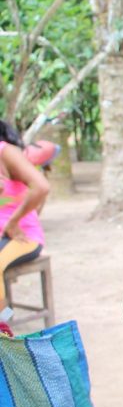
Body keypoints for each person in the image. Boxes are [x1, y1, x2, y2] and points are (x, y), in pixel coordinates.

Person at [0, 120, 50, 314]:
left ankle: (4, 326)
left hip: (22, 237)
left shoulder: (6, 152)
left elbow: (41, 187)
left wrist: (14, 222)